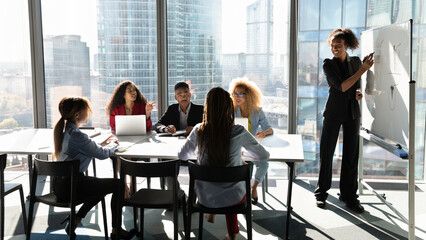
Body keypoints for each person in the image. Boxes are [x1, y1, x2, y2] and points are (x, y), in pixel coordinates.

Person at [178, 87, 270, 240]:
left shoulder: (198, 130)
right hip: (235, 199)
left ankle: (224, 223)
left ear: (207, 108)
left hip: (205, 197)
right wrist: (239, 152)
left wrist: (199, 153)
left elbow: (182, 155)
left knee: (220, 177)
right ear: (229, 107)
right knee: (232, 179)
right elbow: (263, 155)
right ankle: (233, 232)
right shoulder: (239, 131)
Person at [53, 96, 134, 239]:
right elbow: (102, 154)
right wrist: (114, 144)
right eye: (86, 110)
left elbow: (86, 147)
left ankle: (76, 218)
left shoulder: (65, 132)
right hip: (73, 187)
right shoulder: (77, 135)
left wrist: (95, 145)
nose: (89, 113)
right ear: (77, 115)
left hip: (60, 186)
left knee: (100, 186)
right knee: (118, 185)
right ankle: (116, 230)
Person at [314, 28, 374, 213]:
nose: (334, 48)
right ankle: (321, 193)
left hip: (352, 112)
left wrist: (359, 93)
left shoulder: (356, 62)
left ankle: (349, 196)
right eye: (332, 46)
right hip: (333, 112)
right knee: (327, 152)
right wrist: (363, 70)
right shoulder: (328, 64)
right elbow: (341, 86)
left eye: (338, 45)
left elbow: (356, 86)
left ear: (347, 45)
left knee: (351, 155)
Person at [106, 80, 155, 198]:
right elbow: (113, 127)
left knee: (126, 154)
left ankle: (132, 184)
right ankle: (125, 186)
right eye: (129, 91)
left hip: (140, 142)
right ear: (123, 94)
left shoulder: (142, 106)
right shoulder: (116, 109)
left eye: (134, 90)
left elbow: (148, 128)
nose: (133, 93)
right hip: (123, 140)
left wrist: (147, 114)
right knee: (120, 154)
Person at [229, 77, 273, 204]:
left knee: (264, 163)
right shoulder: (232, 109)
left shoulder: (257, 110)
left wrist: (264, 133)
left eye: (241, 94)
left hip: (251, 144)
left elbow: (269, 129)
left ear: (248, 95)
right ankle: (240, 192)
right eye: (235, 93)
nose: (237, 96)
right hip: (236, 146)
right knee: (240, 165)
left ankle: (253, 188)